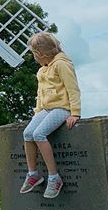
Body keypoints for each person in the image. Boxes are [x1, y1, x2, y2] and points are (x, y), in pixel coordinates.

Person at [19, 32, 81, 198]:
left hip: (62, 107)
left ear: (40, 54)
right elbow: (41, 93)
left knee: (39, 134)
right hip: (46, 109)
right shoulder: (42, 70)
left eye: (34, 53)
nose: (34, 57)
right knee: (28, 133)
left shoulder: (61, 64)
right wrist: (38, 111)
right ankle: (33, 174)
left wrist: (75, 113)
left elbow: (73, 89)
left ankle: (54, 178)